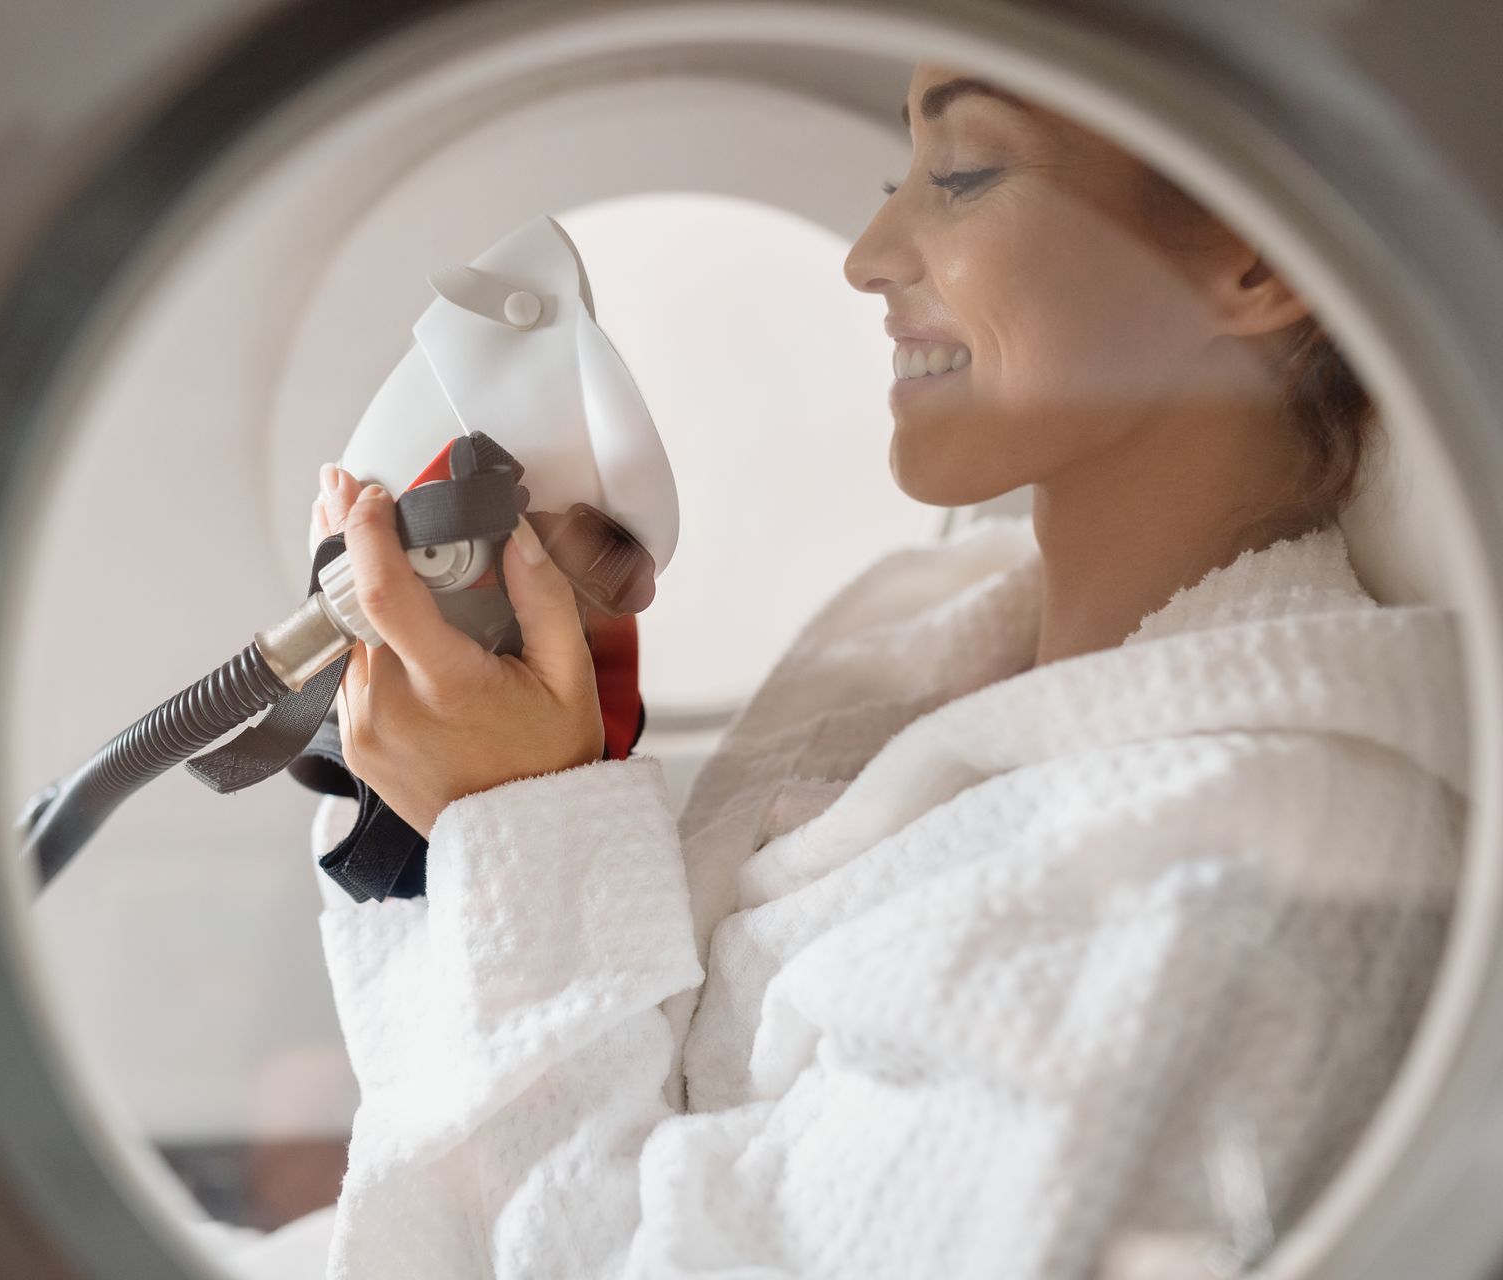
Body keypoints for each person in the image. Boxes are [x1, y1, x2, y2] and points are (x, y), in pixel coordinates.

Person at [299, 63, 1468, 1279]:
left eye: (962, 174)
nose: (865, 254)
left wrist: (525, 830)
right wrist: (521, 770)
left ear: (1254, 257)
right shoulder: (941, 652)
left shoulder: (1224, 893)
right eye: (891, 176)